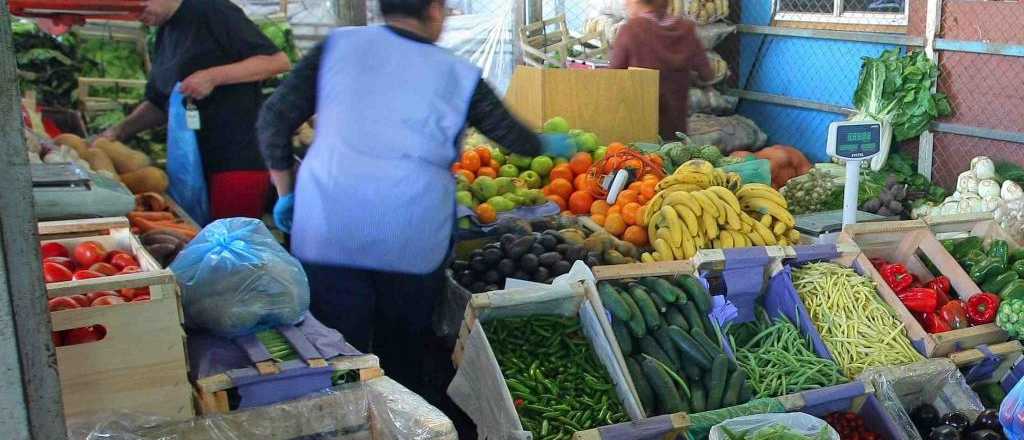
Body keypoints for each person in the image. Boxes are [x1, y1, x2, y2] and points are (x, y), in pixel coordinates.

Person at [256, 0, 574, 398]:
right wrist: (554, 143)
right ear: (435, 11)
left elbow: (273, 119)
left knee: (336, 357)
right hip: (410, 239)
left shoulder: (336, 48)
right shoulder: (458, 74)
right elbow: (517, 138)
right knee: (402, 361)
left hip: (327, 229)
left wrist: (287, 193)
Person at [99, 0, 291, 220]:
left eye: (139, 5)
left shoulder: (211, 9)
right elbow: (159, 103)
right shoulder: (164, 33)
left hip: (234, 159)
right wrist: (119, 131)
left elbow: (277, 61)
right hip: (191, 165)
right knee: (196, 237)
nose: (135, 14)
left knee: (229, 244)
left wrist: (212, 77)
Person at [610, 0, 714, 140]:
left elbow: (612, 77)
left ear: (637, 2)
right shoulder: (687, 29)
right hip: (675, 127)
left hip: (640, 125)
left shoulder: (631, 30)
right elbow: (706, 74)